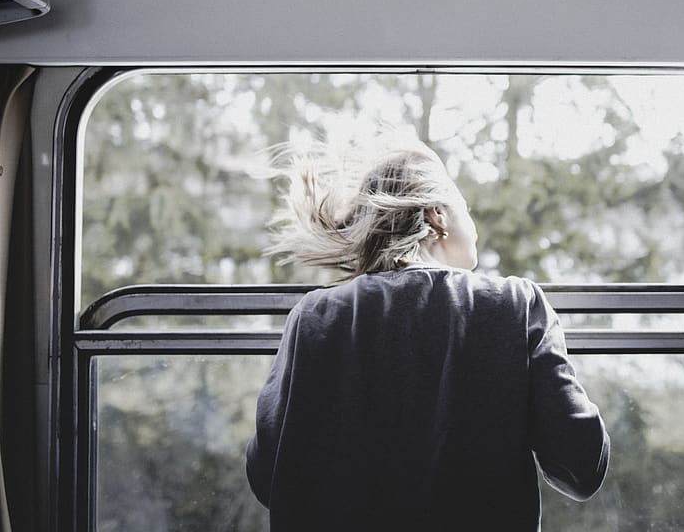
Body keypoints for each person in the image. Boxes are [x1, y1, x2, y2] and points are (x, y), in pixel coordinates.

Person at [245, 133, 609, 531]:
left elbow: (268, 476)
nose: (472, 223)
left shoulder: (315, 315)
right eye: (464, 208)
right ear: (438, 215)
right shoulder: (515, 304)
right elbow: (581, 466)